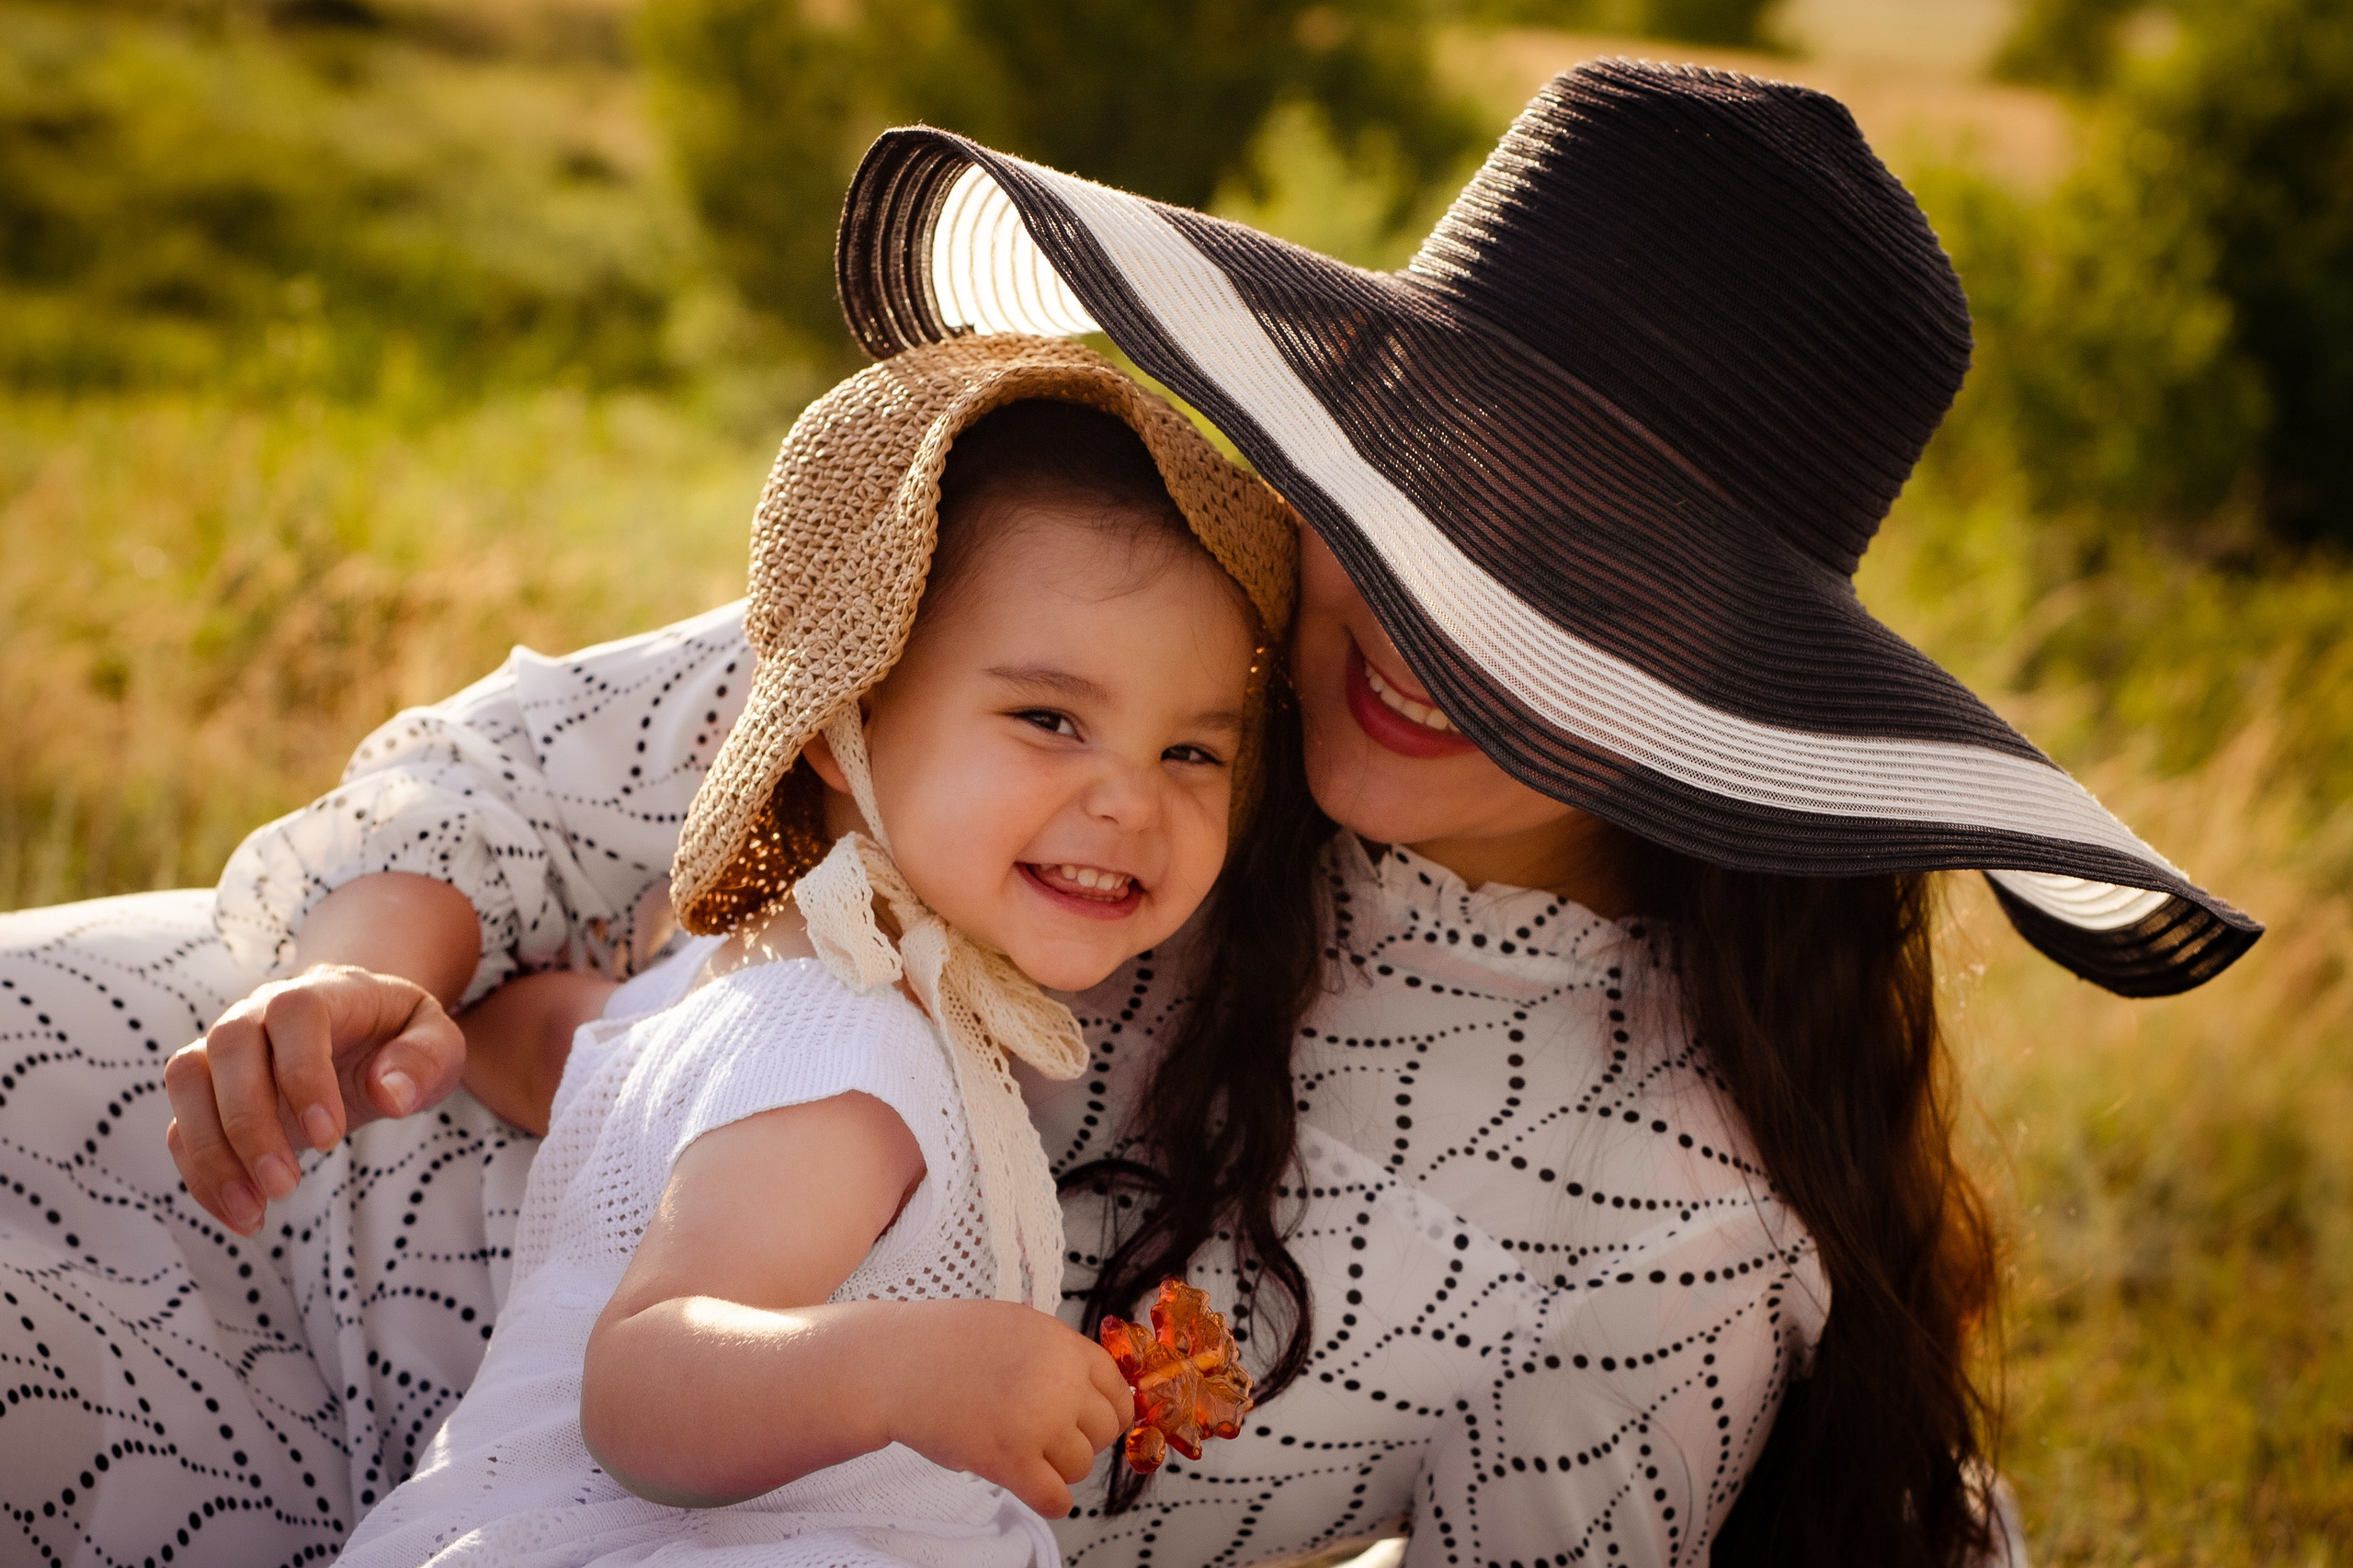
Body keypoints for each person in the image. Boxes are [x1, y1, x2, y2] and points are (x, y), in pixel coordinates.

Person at [0, 61, 2255, 1568]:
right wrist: (376, 980)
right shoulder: (1173, 627)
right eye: (1429, 492)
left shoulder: (1665, 1217)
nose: (1426, 621)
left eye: (1578, 582)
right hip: (180, 1192)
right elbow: (532, 773)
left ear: (1726, 676)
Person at [332, 336, 1299, 1566]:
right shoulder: (845, 1050)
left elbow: (561, 1054)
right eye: (1050, 719)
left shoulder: (726, 984)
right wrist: (907, 1371)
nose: (1130, 801)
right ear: (845, 727)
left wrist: (452, 1030)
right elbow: (643, 1386)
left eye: (1190, 752)